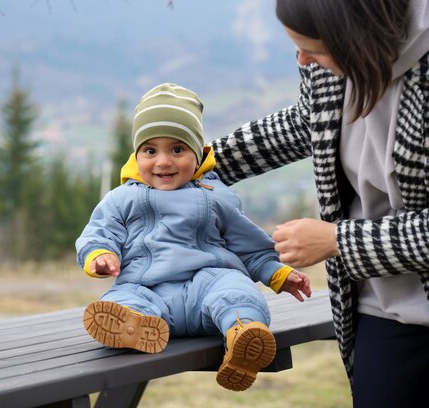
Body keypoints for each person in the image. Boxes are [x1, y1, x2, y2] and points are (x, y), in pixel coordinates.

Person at [210, 0, 429, 406]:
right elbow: (309, 120)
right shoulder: (331, 64)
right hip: (384, 306)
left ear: (360, 38)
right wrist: (204, 160)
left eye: (316, 50)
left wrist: (337, 241)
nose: (302, 59)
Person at [76, 82, 312, 392]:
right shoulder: (121, 199)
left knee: (236, 290)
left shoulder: (215, 197)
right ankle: (131, 323)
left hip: (208, 285)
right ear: (136, 155)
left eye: (177, 149)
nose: (163, 161)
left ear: (198, 154)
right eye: (150, 150)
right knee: (123, 298)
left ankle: (242, 334)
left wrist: (278, 274)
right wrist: (100, 255)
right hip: (148, 290)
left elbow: (250, 248)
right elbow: (99, 233)